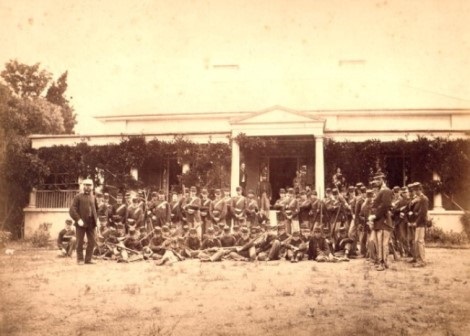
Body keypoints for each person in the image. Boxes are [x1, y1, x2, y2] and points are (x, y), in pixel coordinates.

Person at [69, 179, 98, 265]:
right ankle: (80, 259)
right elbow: (72, 210)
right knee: (80, 242)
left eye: (89, 185)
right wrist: (78, 219)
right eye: (86, 185)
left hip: (91, 223)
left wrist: (97, 220)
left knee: (92, 241)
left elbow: (96, 210)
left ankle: (88, 259)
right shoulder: (78, 197)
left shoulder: (93, 197)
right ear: (83, 186)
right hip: (81, 223)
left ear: (92, 187)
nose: (87, 187)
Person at [370, 174, 393, 271]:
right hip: (378, 222)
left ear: (382, 179)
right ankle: (382, 262)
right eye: (375, 180)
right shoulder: (380, 191)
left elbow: (385, 205)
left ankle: (383, 263)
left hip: (383, 221)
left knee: (382, 244)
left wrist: (376, 215)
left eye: (378, 179)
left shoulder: (386, 190)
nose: (376, 182)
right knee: (379, 243)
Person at [411, 183, 429, 268]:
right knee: (416, 241)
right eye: (414, 190)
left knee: (420, 241)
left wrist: (416, 222)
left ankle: (422, 261)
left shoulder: (424, 199)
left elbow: (423, 213)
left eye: (416, 190)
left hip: (421, 223)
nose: (415, 192)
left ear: (420, 190)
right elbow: (415, 211)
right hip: (418, 223)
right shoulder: (418, 199)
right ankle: (417, 258)